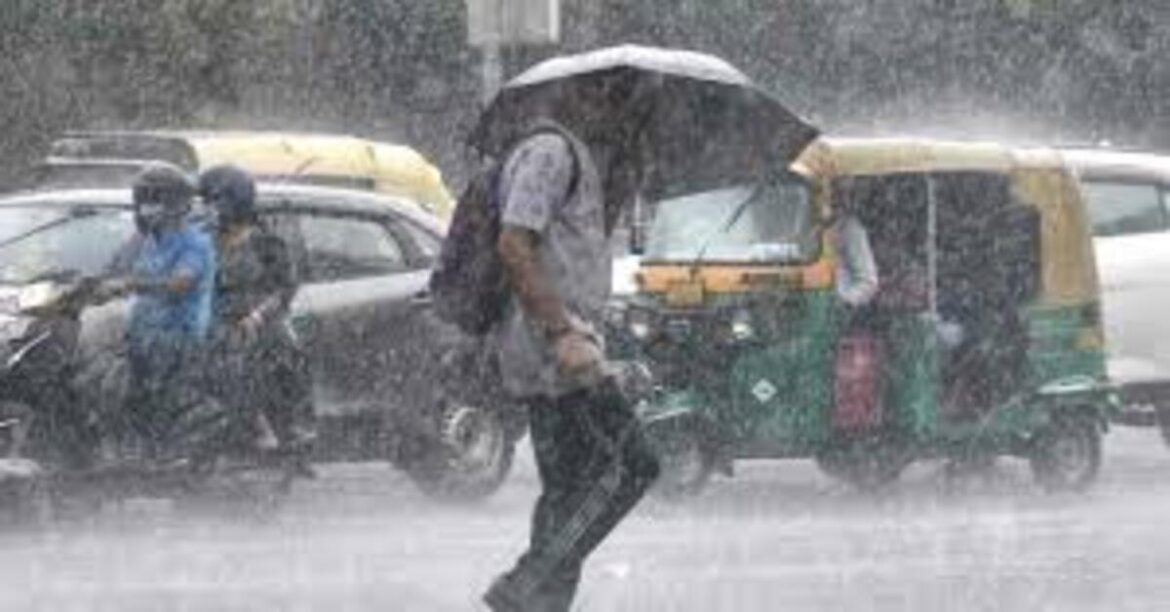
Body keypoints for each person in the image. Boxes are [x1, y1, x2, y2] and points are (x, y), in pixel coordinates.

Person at [482, 86, 662, 612]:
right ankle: (527, 584)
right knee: (631, 464)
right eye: (637, 118)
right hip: (555, 352)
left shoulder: (584, 164)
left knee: (568, 489)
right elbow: (514, 244)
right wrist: (562, 332)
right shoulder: (552, 154)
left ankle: (541, 600)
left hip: (563, 347)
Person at [198, 165, 315, 454]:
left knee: (283, 354)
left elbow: (285, 287)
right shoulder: (203, 239)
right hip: (214, 318)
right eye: (207, 202)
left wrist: (258, 315)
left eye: (215, 201)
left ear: (235, 201)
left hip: (259, 320)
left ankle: (285, 426)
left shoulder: (265, 241)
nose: (209, 209)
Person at [108, 164, 216, 459]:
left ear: (175, 204)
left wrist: (136, 285)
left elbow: (181, 282)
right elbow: (118, 272)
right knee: (105, 382)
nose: (146, 209)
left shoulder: (195, 242)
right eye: (142, 201)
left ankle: (166, 448)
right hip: (142, 332)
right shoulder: (149, 242)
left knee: (154, 391)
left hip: (178, 334)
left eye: (154, 200)